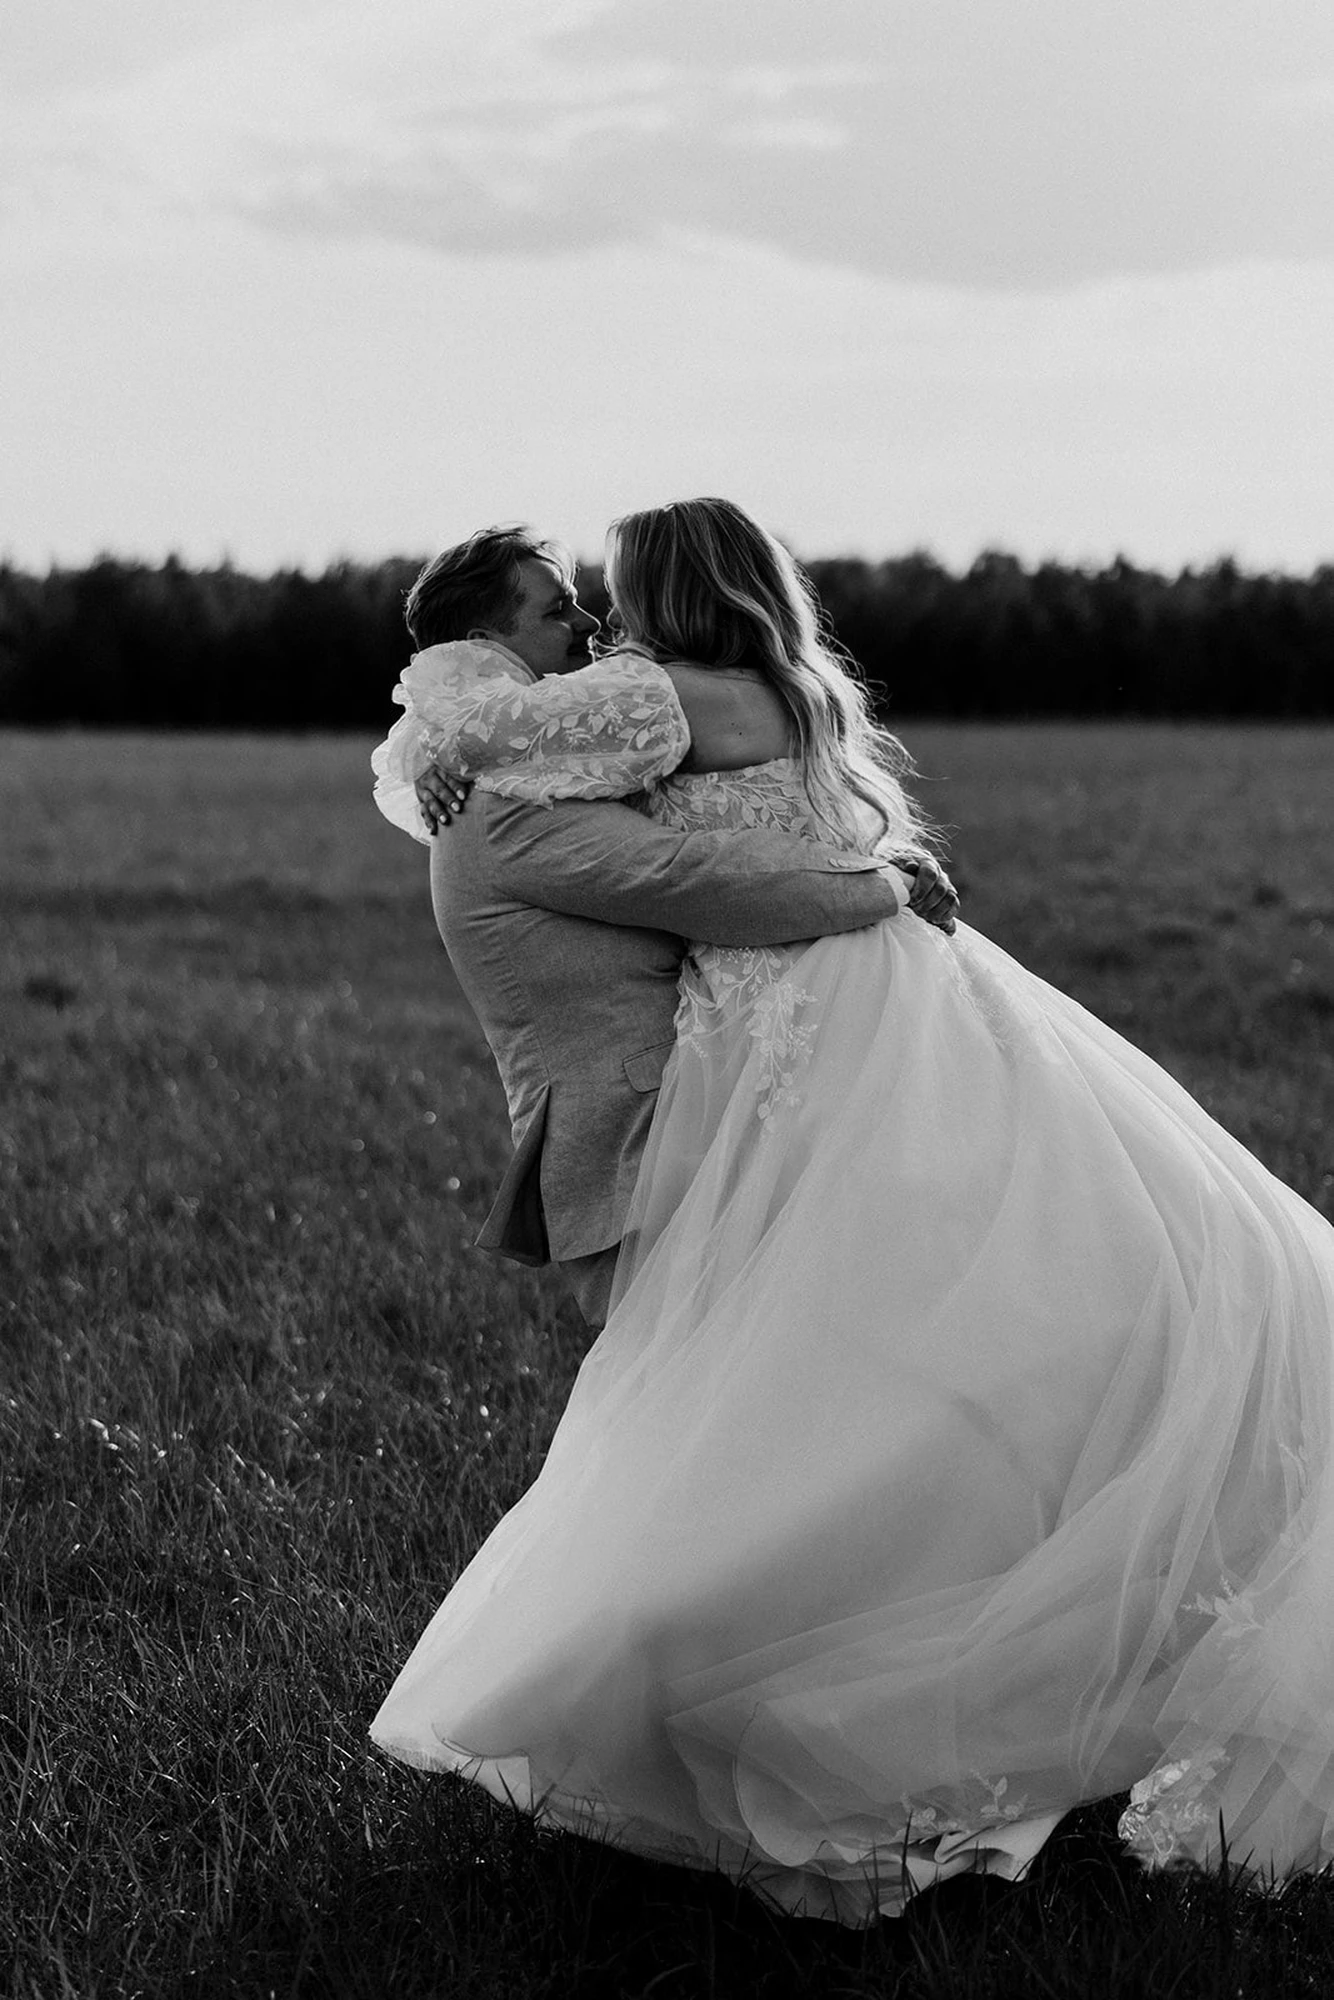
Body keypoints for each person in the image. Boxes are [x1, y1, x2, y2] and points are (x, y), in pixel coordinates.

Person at [371, 498, 1334, 1924]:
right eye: (566, 603)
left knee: (817, 1349)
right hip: (840, 1012)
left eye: (611, 591)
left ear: (677, 592)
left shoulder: (663, 699)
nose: (595, 621)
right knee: (872, 1329)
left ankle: (791, 1650)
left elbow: (650, 847)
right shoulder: (766, 688)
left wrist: (443, 734)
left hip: (808, 1028)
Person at [371, 525, 956, 1327]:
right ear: (483, 645)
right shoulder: (499, 800)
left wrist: (870, 858)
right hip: (630, 1147)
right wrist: (883, 883)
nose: (590, 624)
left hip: (695, 1119)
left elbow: (723, 825)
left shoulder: (536, 762)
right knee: (716, 1367)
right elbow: (693, 876)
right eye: (557, 609)